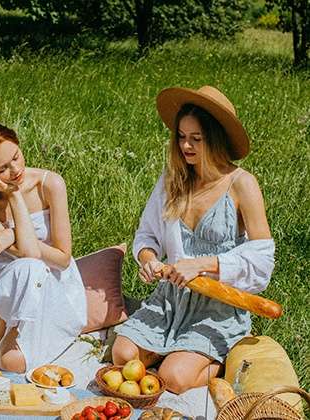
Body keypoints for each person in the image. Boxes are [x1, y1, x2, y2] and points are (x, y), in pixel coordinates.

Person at [112, 86, 275, 394]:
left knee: (173, 378)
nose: (186, 145)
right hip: (171, 298)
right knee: (122, 356)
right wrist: (148, 260)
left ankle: (215, 360)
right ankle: (174, 352)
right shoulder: (173, 179)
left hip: (217, 305)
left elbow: (262, 259)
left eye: (196, 139)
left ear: (216, 139)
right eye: (181, 136)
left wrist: (201, 264)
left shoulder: (242, 184)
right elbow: (147, 235)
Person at [0, 118, 87, 373]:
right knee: (28, 268)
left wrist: (11, 230)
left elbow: (63, 258)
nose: (16, 169)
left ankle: (0, 333)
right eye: (2, 169)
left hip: (54, 284)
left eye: (16, 156)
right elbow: (28, 255)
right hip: (10, 284)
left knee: (12, 362)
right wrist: (14, 197)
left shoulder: (49, 184)